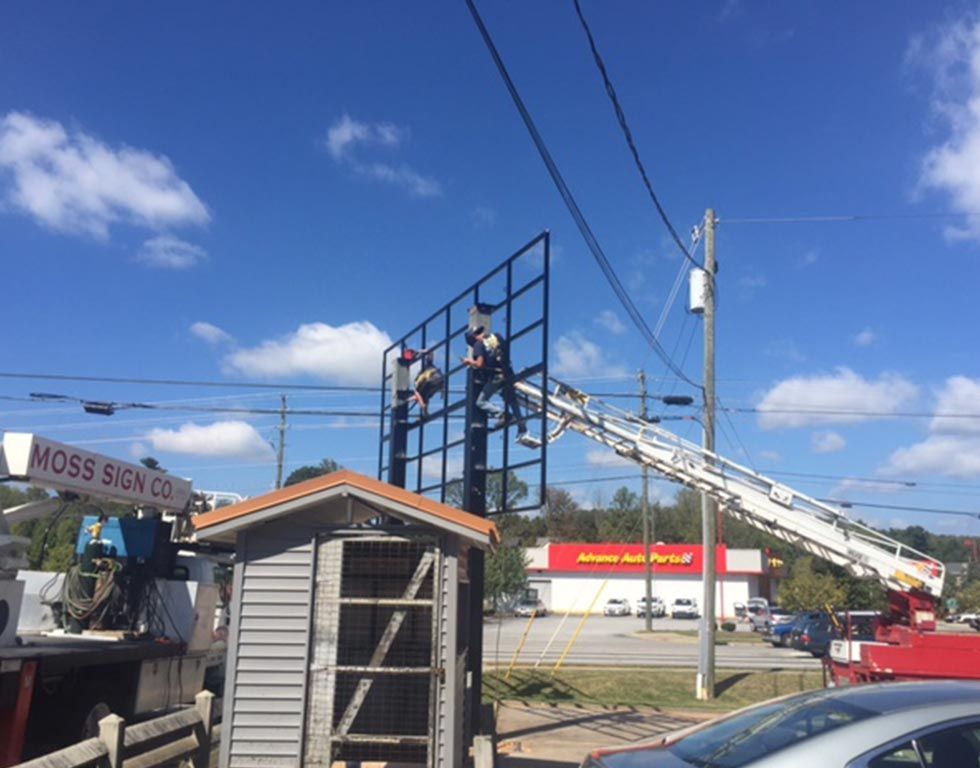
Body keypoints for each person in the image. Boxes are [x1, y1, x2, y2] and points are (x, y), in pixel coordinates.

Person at [462, 327, 527, 435]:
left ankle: (504, 415)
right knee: (510, 398)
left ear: (472, 338)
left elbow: (480, 364)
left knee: (481, 402)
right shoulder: (496, 336)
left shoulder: (478, 344)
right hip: (508, 372)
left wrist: (469, 361)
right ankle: (522, 425)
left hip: (496, 376)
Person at [411, 350, 443, 417]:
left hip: (433, 380)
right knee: (425, 395)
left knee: (417, 393)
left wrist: (419, 352)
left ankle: (423, 407)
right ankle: (425, 412)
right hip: (440, 381)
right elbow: (430, 353)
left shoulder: (426, 367)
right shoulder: (427, 367)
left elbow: (430, 352)